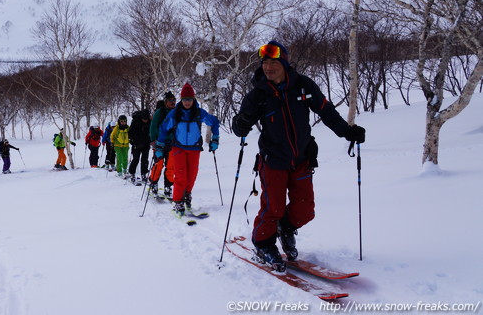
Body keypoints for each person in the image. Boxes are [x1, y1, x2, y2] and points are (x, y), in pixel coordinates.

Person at [232, 40, 366, 273]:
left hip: (301, 158)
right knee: (272, 208)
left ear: (284, 63)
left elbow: (326, 111)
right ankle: (263, 243)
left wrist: (348, 132)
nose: (268, 67)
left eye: (273, 62)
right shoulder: (258, 95)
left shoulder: (303, 86)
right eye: (265, 63)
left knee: (305, 210)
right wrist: (241, 123)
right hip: (273, 160)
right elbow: (239, 127)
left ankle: (285, 229)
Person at [156, 83, 220, 216]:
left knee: (192, 175)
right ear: (181, 99)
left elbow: (214, 122)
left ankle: (187, 194)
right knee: (180, 175)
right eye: (184, 99)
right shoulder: (175, 113)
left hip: (194, 148)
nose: (187, 102)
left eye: (189, 99)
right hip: (178, 147)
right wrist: (160, 146)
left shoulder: (198, 113)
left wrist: (215, 139)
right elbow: (163, 128)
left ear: (193, 99)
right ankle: (177, 201)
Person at [148, 91, 177, 198]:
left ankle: (168, 186)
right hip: (159, 143)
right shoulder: (159, 112)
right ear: (165, 102)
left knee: (171, 166)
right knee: (158, 164)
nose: (173, 102)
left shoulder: (177, 112)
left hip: (172, 144)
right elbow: (153, 126)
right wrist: (153, 140)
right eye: (170, 100)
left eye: (174, 100)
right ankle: (153, 183)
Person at [128, 109, 152, 184]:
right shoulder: (136, 121)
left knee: (145, 159)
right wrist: (132, 140)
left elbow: (152, 131)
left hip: (146, 143)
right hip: (136, 143)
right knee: (136, 159)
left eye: (146, 119)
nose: (145, 120)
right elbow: (130, 132)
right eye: (144, 119)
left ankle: (144, 174)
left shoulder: (150, 122)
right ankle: (132, 173)